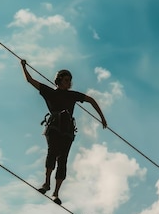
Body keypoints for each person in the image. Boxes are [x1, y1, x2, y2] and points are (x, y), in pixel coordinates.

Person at [20, 59, 107, 205]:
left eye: (70, 80)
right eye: (66, 80)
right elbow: (30, 80)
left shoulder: (72, 95)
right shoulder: (50, 92)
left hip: (67, 131)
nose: (69, 83)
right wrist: (23, 66)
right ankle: (46, 183)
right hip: (54, 128)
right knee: (52, 152)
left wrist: (102, 118)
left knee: (63, 160)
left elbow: (91, 100)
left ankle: (55, 193)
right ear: (59, 80)